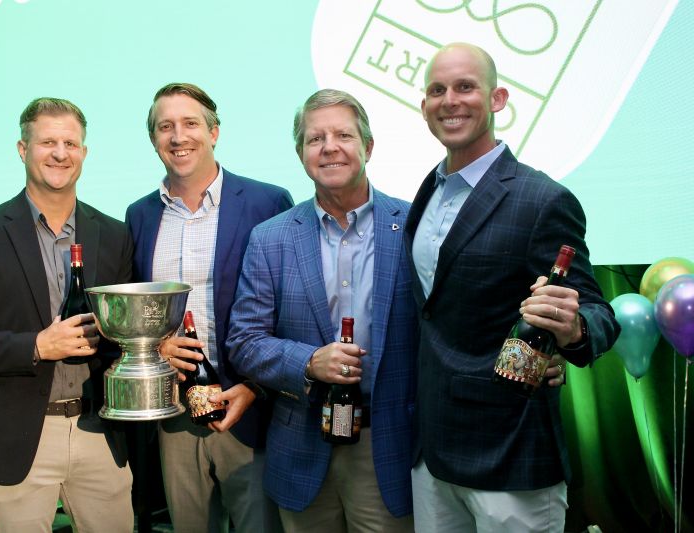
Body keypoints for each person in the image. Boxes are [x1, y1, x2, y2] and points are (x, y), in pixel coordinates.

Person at [405, 42, 621, 532]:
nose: (450, 100)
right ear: (424, 108)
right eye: (437, 90)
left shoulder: (543, 199)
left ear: (497, 99)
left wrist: (571, 332)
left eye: (466, 87)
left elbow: (597, 313)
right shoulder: (427, 191)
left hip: (511, 453)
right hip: (432, 455)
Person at [0, 97, 134, 532]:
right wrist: (37, 346)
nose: (60, 153)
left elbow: (125, 333)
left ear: (84, 152)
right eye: (47, 142)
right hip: (15, 438)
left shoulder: (113, 234)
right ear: (23, 150)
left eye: (70, 143)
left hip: (99, 431)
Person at [227, 88, 417, 532]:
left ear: (368, 147)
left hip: (387, 445)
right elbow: (244, 341)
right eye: (315, 139)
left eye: (343, 135)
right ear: (300, 153)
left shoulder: (413, 228)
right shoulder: (270, 238)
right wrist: (309, 361)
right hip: (301, 445)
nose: (329, 147)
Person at [126, 82, 293, 533]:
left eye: (190, 124)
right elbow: (137, 315)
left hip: (249, 406)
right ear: (154, 139)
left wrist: (257, 387)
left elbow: (287, 308)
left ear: (214, 132)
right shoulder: (139, 215)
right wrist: (154, 349)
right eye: (165, 127)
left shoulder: (267, 202)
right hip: (175, 412)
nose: (178, 136)